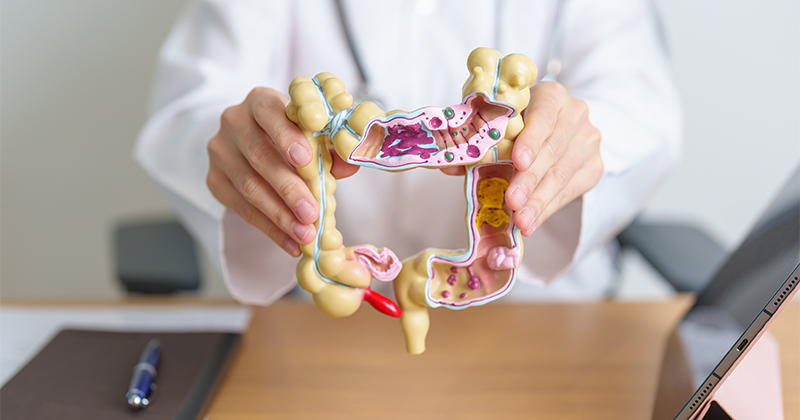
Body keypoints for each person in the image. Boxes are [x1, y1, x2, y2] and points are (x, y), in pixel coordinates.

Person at [135, 0, 681, 305]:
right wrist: (238, 144)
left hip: (540, 322)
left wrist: (581, 140)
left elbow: (642, 109)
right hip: (328, 328)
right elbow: (192, 106)